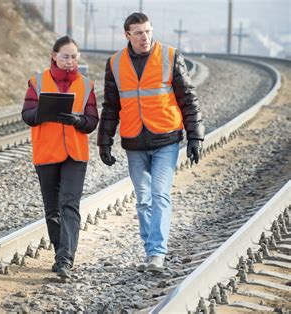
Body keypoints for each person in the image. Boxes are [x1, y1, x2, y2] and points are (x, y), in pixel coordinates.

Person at [97, 12, 205, 272]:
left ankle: (156, 253)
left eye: (147, 31)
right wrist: (104, 141)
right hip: (134, 142)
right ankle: (151, 250)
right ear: (127, 35)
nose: (144, 37)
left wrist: (195, 136)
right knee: (143, 199)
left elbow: (188, 98)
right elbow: (111, 107)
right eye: (138, 33)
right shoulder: (114, 63)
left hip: (166, 139)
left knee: (159, 195)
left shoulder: (170, 56)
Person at [22, 36, 99, 279]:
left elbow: (92, 121)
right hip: (47, 153)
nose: (69, 61)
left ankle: (66, 259)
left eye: (74, 56)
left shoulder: (86, 85)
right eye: (65, 56)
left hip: (75, 155)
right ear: (54, 55)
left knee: (70, 205)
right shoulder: (37, 82)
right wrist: (44, 112)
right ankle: (60, 254)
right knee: (52, 209)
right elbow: (27, 115)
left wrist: (78, 120)